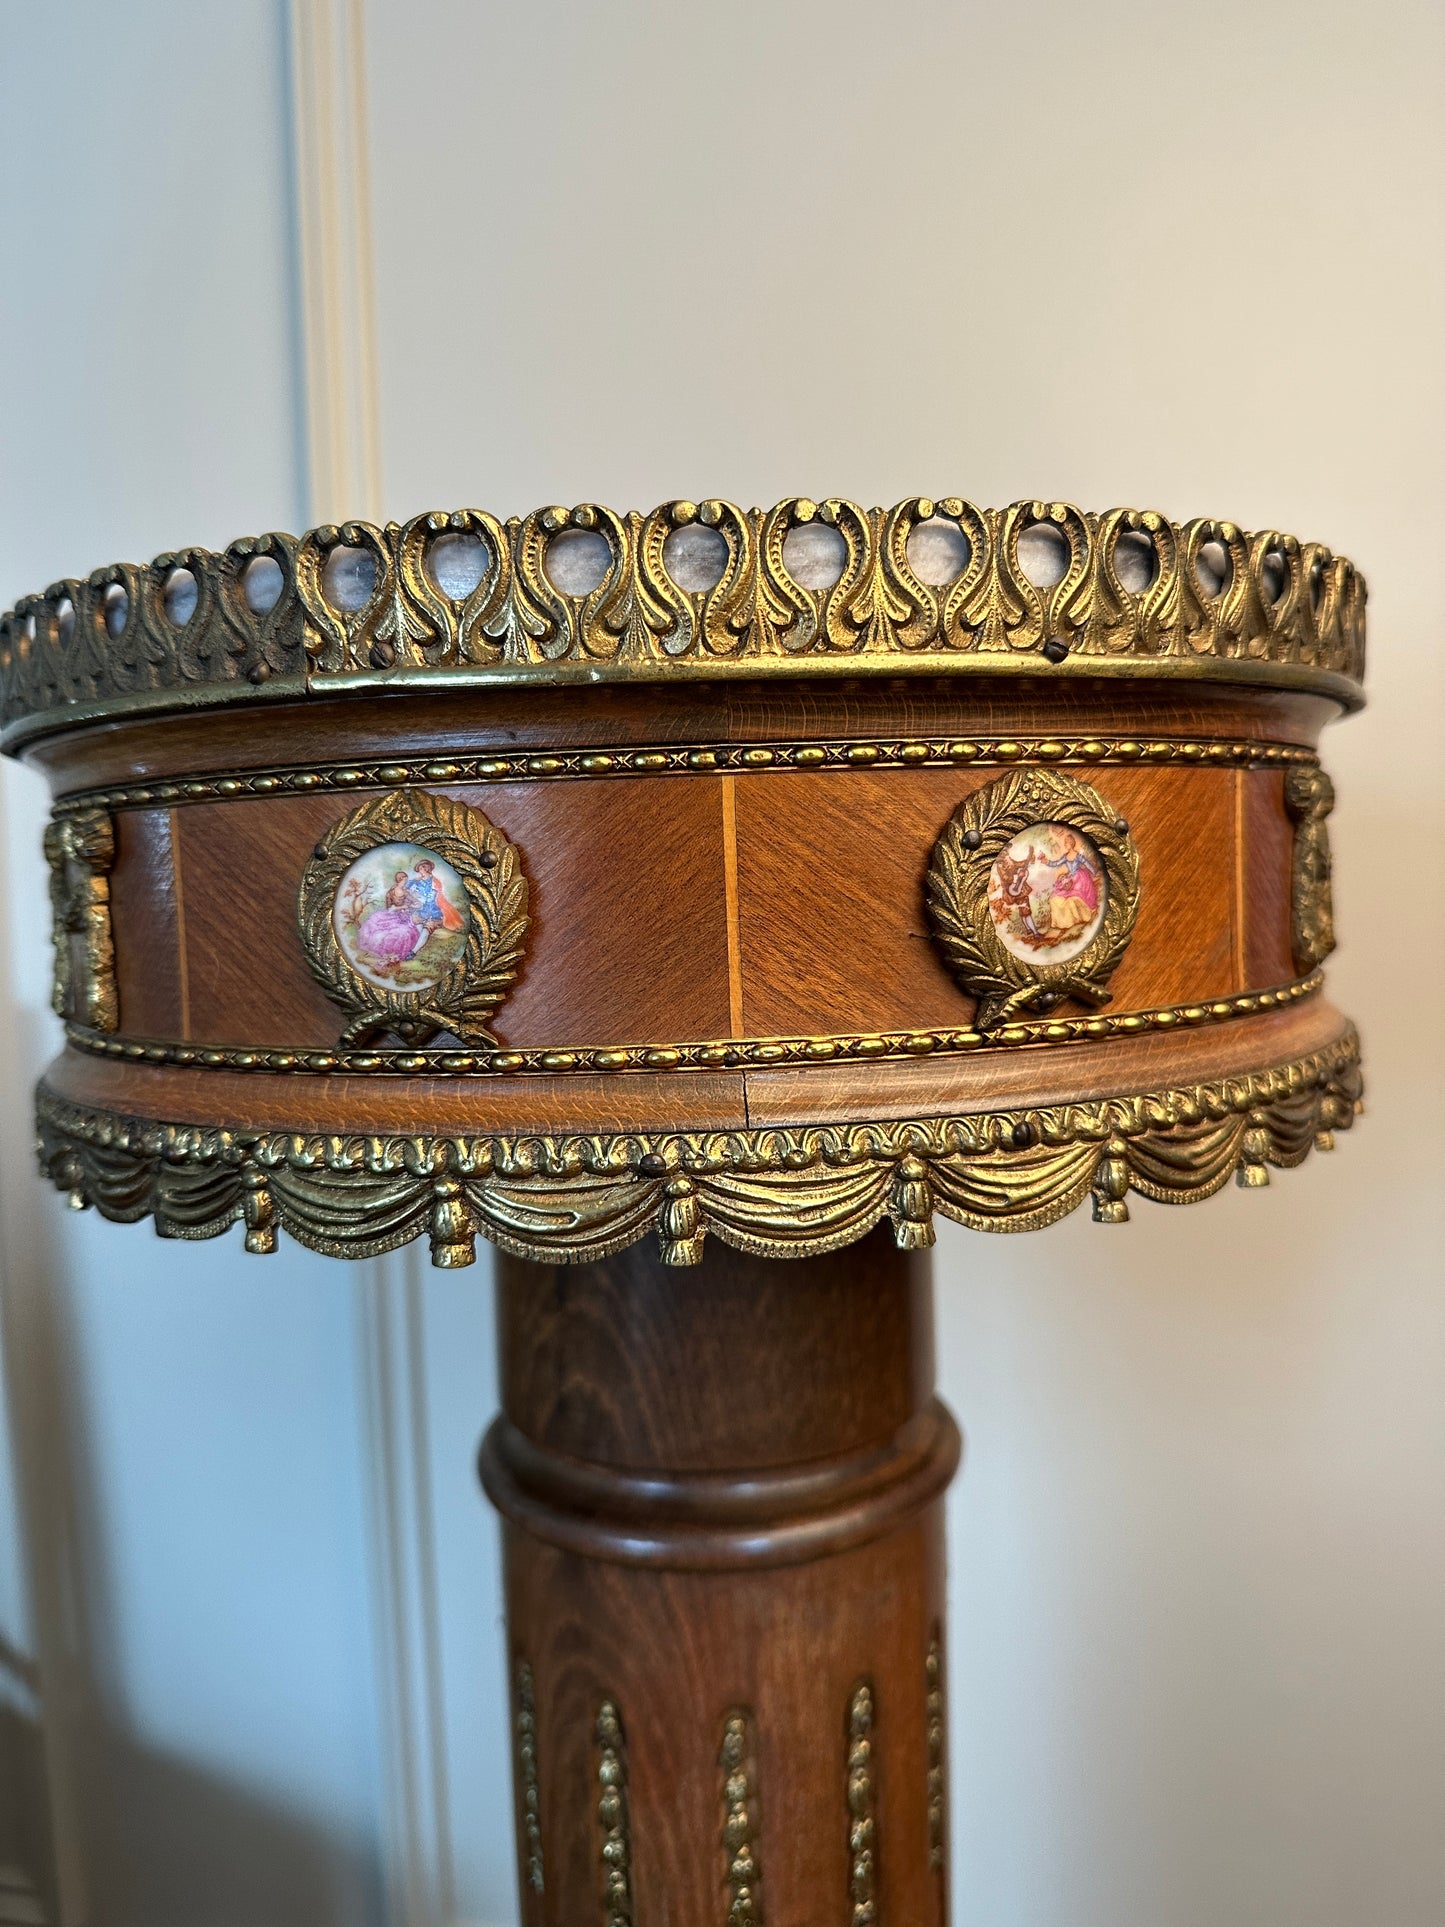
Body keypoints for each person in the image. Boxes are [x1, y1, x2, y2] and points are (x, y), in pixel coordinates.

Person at [1038, 830, 1101, 940]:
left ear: (1071, 844)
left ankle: (1079, 917)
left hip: (1080, 878)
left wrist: (1095, 873)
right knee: (1057, 896)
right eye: (1065, 843)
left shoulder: (1078, 856)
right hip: (1070, 878)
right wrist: (1046, 861)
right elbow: (1056, 863)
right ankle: (1063, 922)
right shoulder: (1065, 857)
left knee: (1075, 894)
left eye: (1066, 843)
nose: (1065, 845)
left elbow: (1087, 864)